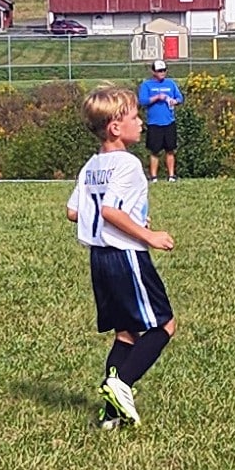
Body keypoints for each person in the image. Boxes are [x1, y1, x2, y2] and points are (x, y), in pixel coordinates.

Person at [67, 86, 176, 429]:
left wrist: (130, 216)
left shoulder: (92, 165)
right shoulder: (127, 164)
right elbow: (111, 211)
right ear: (115, 127)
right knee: (164, 325)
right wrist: (148, 235)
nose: (141, 122)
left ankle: (110, 416)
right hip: (125, 255)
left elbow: (73, 212)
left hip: (100, 259)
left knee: (126, 334)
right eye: (133, 117)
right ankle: (122, 383)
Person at [137, 59, 184, 182]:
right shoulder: (147, 85)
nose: (162, 73)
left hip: (169, 122)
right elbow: (143, 101)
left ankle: (171, 176)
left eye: (163, 70)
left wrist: (175, 101)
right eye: (159, 71)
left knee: (170, 150)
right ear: (153, 72)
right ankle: (154, 177)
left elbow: (180, 97)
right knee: (154, 151)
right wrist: (157, 97)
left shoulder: (170, 84)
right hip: (154, 123)